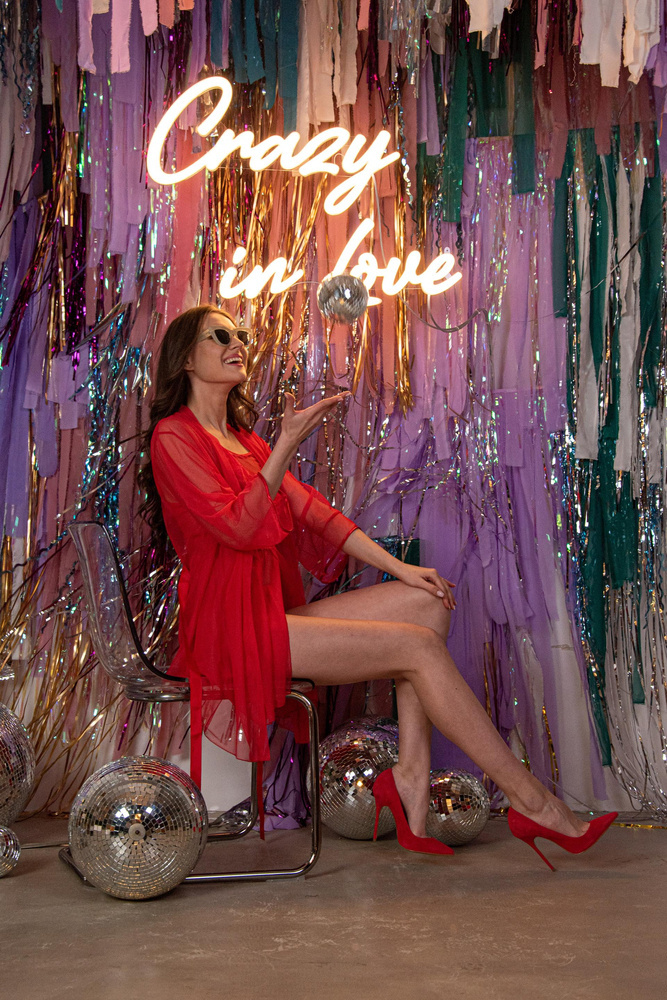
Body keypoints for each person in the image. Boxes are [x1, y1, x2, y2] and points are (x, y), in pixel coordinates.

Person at [142, 304, 616, 867]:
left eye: (239, 333)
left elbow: (317, 514)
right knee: (417, 647)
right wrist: (287, 443)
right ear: (186, 358)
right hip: (229, 630)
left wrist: (402, 569)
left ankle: (410, 775)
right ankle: (532, 802)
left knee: (426, 603)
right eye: (220, 335)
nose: (237, 342)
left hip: (266, 612)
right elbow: (240, 527)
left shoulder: (245, 440)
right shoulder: (174, 438)